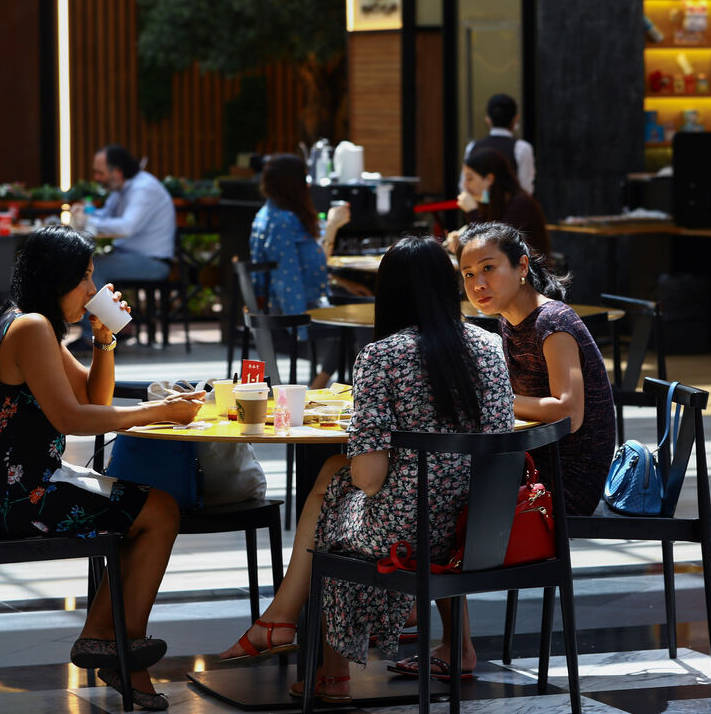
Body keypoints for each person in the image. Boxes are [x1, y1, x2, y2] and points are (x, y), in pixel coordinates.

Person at [217, 235, 515, 703]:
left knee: (336, 508)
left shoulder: (382, 356)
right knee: (335, 481)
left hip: (409, 534)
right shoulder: (490, 345)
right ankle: (292, 632)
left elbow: (368, 478)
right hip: (482, 526)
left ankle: (307, 646)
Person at [0, 225, 203, 711]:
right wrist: (160, 411)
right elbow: (74, 419)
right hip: (14, 501)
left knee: (151, 508)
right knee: (159, 511)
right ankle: (105, 639)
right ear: (57, 279)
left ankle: (115, 649)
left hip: (10, 492)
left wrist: (104, 341)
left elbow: (95, 398)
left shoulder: (26, 323)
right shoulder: (31, 328)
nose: (93, 291)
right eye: (84, 278)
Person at [404, 221, 615, 679]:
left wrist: (490, 396)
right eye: (467, 274)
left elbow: (569, 413)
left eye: (488, 268)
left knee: (439, 501)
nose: (478, 284)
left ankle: (443, 634)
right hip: (538, 463)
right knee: (438, 486)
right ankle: (426, 617)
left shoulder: (553, 322)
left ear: (521, 267)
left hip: (567, 480)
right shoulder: (509, 322)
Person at [249, 153, 370, 388]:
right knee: (360, 322)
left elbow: (301, 269)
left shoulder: (268, 214)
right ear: (292, 184)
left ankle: (327, 384)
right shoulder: (283, 221)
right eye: (304, 177)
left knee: (358, 309)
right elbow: (288, 280)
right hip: (289, 312)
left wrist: (341, 282)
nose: (308, 183)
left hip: (283, 305)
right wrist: (332, 228)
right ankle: (349, 388)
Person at [70, 144, 177, 347]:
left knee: (93, 269)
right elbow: (105, 216)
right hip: (130, 255)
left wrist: (88, 222)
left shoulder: (143, 188)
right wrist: (86, 213)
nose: (97, 178)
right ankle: (117, 327)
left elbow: (127, 227)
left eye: (100, 172)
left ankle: (93, 336)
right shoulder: (122, 188)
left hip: (153, 262)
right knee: (91, 264)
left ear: (117, 171)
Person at [453, 146, 549, 257]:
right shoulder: (490, 202)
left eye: (470, 178)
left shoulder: (520, 203)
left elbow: (495, 247)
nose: (465, 185)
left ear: (489, 179)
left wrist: (472, 211)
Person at [460, 93, 536, 195]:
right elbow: (526, 188)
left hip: (480, 208)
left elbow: (464, 187)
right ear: (516, 119)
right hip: (510, 209)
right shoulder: (522, 148)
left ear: (488, 120)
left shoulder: (473, 147)